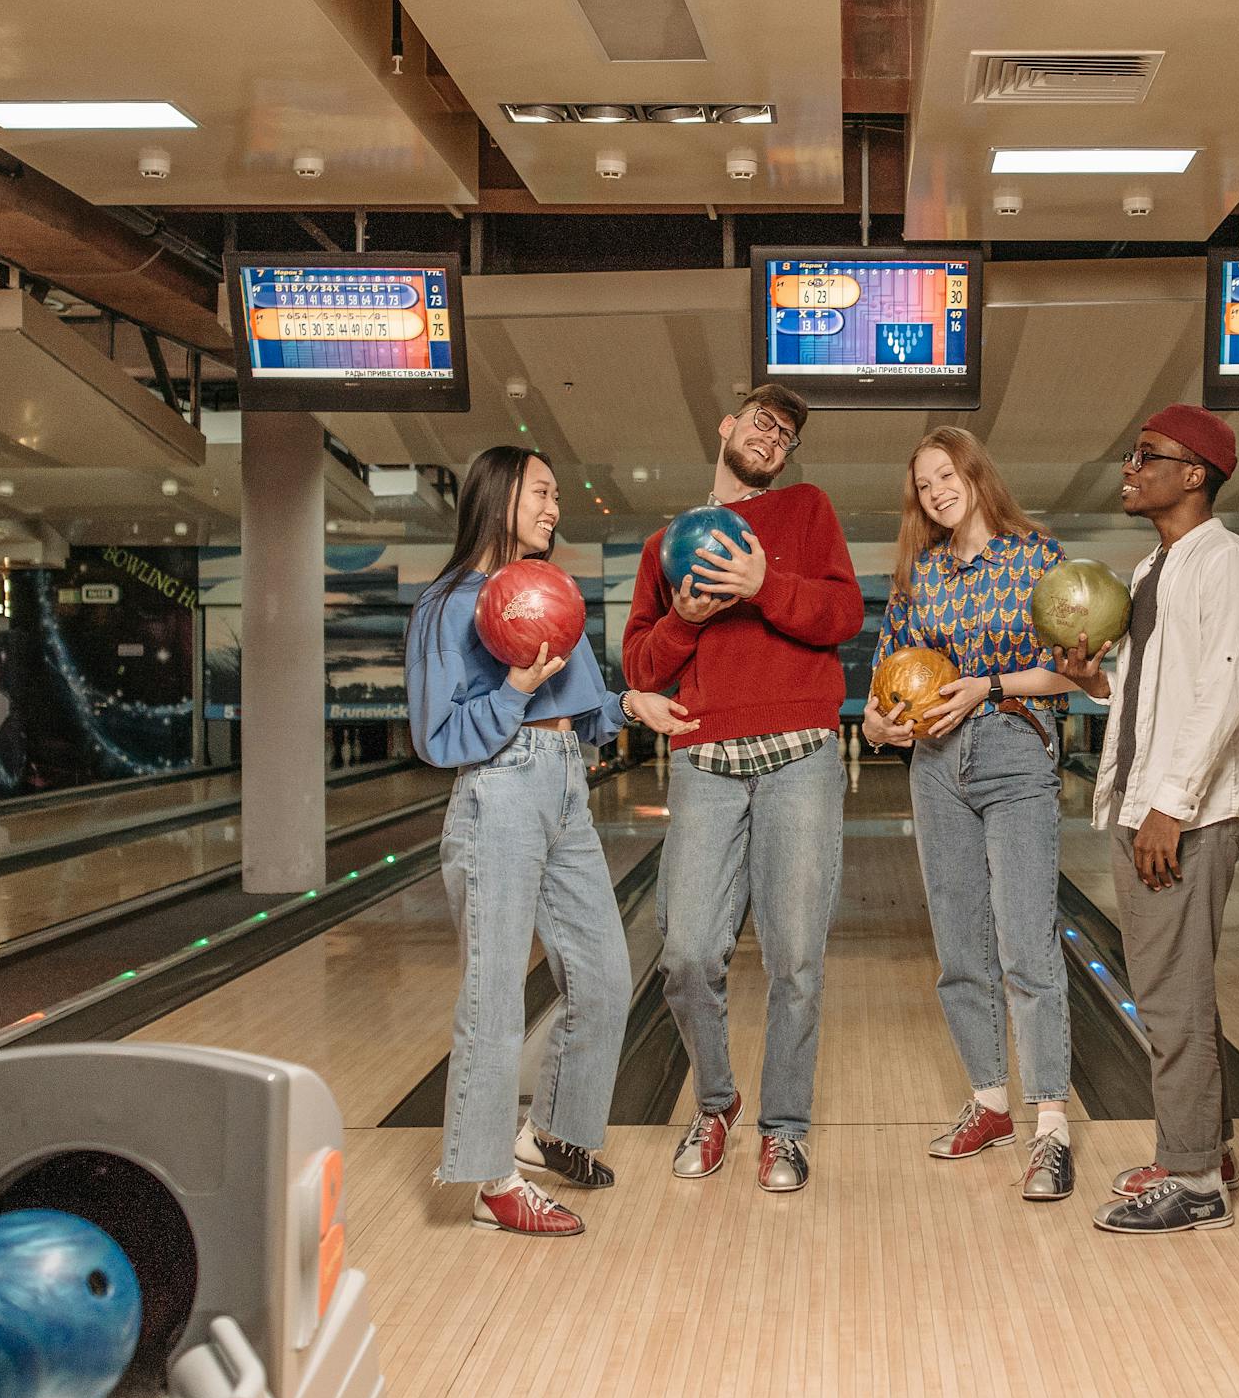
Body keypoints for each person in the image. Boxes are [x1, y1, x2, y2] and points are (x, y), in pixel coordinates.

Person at [407, 446, 696, 1237]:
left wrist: (634, 705)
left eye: (557, 495)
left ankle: (548, 1132)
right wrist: (514, 691)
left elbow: (588, 709)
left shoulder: (548, 593)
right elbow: (439, 737)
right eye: (542, 492)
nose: (554, 508)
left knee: (605, 973)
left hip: (565, 780)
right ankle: (489, 1181)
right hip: (498, 788)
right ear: (499, 496)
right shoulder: (449, 604)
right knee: (494, 998)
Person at [623, 384, 864, 1194]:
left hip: (800, 752)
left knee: (795, 957)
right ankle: (716, 1101)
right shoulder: (667, 543)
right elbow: (641, 667)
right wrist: (686, 618)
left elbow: (842, 614)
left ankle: (786, 1128)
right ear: (728, 425)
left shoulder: (805, 510)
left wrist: (765, 585)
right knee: (688, 952)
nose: (775, 436)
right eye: (764, 420)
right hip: (705, 758)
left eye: (788, 432)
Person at [1052, 405, 1239, 1236]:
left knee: (1170, 1001)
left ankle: (1194, 1184)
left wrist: (1169, 807)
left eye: (1148, 456)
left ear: (1195, 474)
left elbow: (1220, 696)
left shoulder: (1228, 565)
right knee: (1176, 992)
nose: (1129, 467)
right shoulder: (1151, 571)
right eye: (1131, 452)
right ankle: (1202, 1147)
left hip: (1190, 812)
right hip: (1148, 801)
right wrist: (1092, 684)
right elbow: (1146, 694)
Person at [863, 426, 1080, 1201]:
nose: (936, 492)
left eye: (945, 475)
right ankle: (990, 1100)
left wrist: (988, 686)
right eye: (923, 485)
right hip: (934, 765)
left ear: (976, 473)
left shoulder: (1037, 558)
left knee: (1026, 941)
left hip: (1014, 746)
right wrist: (877, 724)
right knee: (960, 945)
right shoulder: (920, 575)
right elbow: (884, 681)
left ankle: (1050, 1121)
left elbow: (1072, 670)